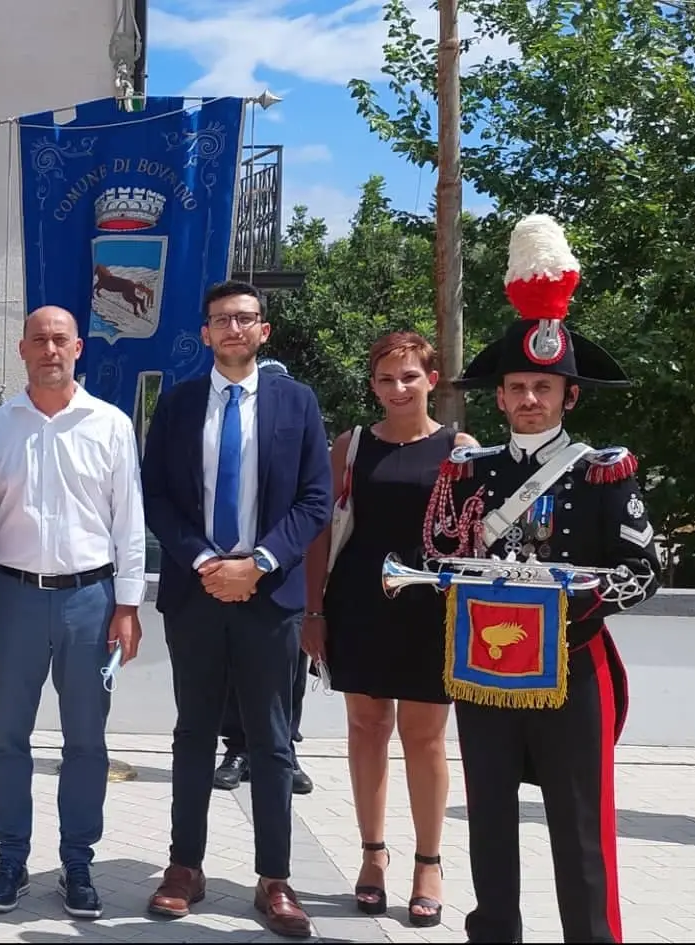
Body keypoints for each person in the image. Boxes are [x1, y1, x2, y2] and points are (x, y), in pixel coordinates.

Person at [421, 214, 660, 943]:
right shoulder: (467, 470)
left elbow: (645, 570)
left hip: (570, 664)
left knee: (579, 827)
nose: (529, 398)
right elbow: (434, 556)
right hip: (485, 667)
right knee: (487, 820)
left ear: (568, 396)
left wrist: (579, 594)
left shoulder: (600, 470)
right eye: (517, 386)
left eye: (543, 387)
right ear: (497, 396)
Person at [140, 281, 330, 939]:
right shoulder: (179, 402)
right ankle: (183, 866)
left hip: (268, 596)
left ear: (262, 331)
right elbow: (156, 494)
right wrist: (203, 561)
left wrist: (259, 563)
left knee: (271, 739)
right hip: (195, 594)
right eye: (220, 318)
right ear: (204, 333)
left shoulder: (296, 403)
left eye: (244, 318)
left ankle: (274, 877)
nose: (232, 328)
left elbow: (314, 499)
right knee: (192, 732)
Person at [0, 305, 146, 920]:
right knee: (7, 739)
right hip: (14, 597)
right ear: (22, 350)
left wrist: (128, 603)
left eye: (60, 340)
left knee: (86, 742)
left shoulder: (110, 424)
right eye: (39, 340)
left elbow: (129, 521)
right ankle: (10, 858)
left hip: (89, 601)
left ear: (79, 350)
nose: (50, 349)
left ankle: (77, 861)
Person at [301, 331, 476, 925]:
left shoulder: (461, 447)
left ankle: (430, 862)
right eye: (385, 378)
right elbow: (322, 530)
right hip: (358, 604)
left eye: (409, 376)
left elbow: (478, 538)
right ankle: (372, 856)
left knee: (425, 737)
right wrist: (314, 610)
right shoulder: (350, 446)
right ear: (373, 384)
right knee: (366, 726)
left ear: (432, 379)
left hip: (432, 610)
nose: (398, 389)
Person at [214, 357, 314, 797]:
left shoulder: (300, 432)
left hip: (283, 574)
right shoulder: (221, 431)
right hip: (228, 570)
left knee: (290, 672)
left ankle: (284, 748)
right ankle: (237, 748)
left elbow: (313, 502)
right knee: (232, 669)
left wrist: (269, 559)